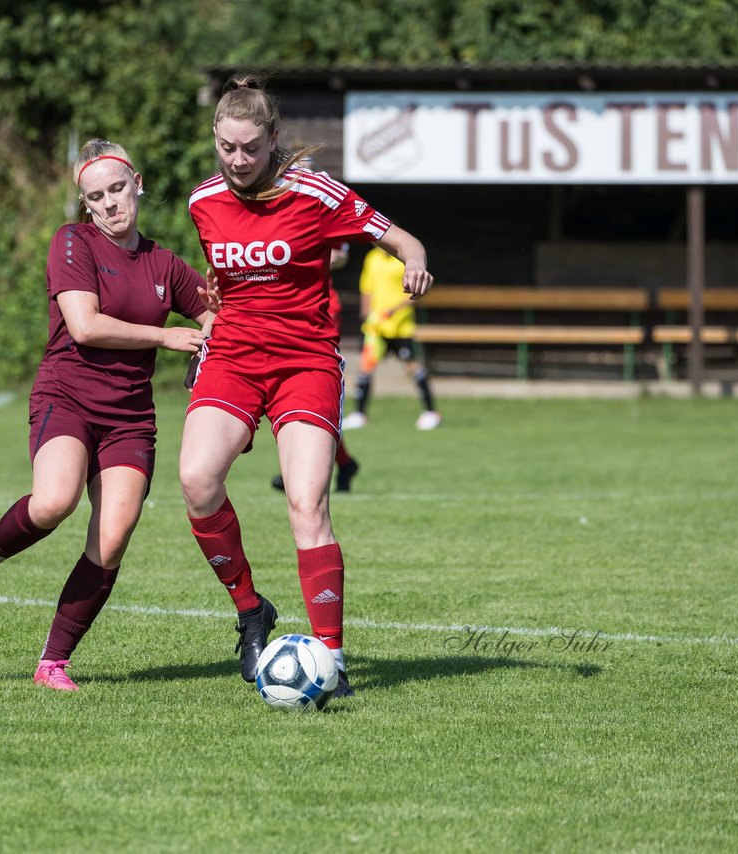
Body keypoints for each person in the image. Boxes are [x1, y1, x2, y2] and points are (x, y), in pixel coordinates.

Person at [0, 140, 213, 691]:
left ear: (137, 183)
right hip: (67, 397)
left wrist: (215, 339)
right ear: (86, 203)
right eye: (95, 196)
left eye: (118, 189)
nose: (109, 204)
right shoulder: (72, 242)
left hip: (130, 416)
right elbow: (85, 325)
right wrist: (169, 335)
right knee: (54, 500)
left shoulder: (164, 264)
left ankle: (53, 662)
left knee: (113, 535)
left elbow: (219, 311)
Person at [181, 77, 434, 697]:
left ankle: (333, 659)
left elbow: (398, 236)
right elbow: (220, 284)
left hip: (304, 361)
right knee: (196, 480)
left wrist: (416, 261)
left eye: (249, 148)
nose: (237, 161)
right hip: (235, 359)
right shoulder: (203, 202)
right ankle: (250, 610)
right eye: (226, 147)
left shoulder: (314, 191)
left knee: (307, 503)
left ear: (272, 140)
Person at [271, 234, 359, 494]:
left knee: (311, 393)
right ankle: (342, 462)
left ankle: (306, 469)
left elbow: (341, 254)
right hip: (283, 307)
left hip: (319, 307)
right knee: (285, 393)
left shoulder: (318, 200)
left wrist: (294, 259)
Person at [342, 245, 441, 431]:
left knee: (413, 368)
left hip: (399, 327)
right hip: (375, 327)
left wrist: (394, 310)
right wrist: (365, 311)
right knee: (365, 368)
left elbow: (416, 292)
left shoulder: (406, 260)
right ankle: (359, 414)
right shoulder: (372, 258)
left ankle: (431, 412)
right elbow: (366, 287)